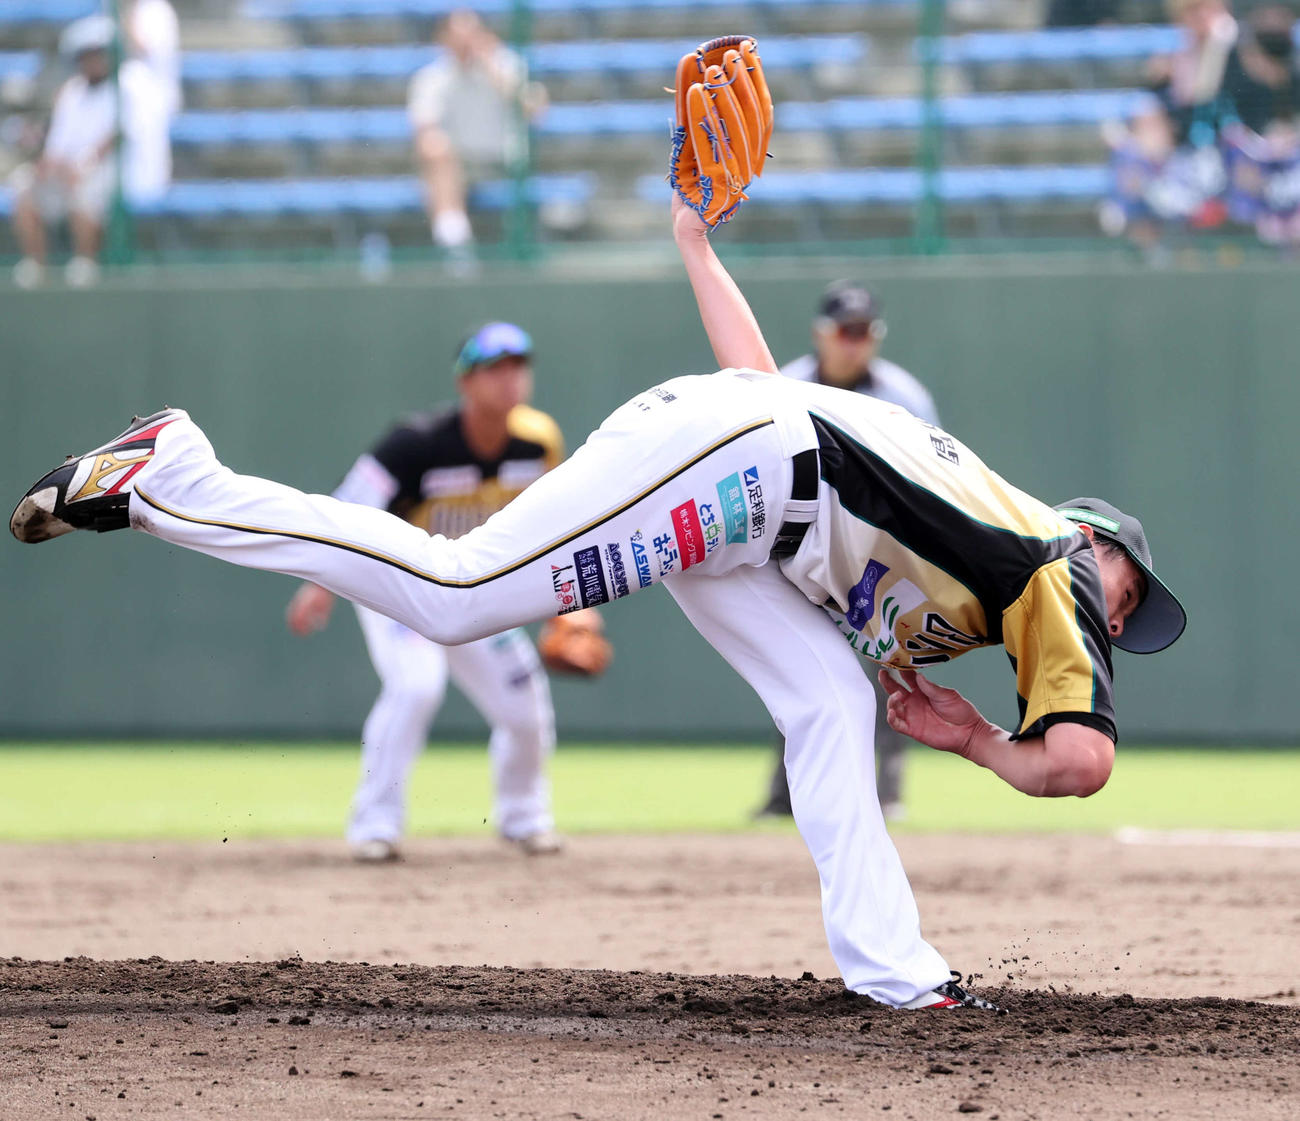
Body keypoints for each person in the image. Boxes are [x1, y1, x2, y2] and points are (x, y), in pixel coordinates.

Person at [10, 194, 1186, 1012]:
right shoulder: (1054, 559)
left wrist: (693, 242)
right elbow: (1078, 764)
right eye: (1132, 586)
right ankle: (180, 475)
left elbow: (761, 382)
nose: (1122, 615)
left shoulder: (977, 554)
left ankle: (896, 969)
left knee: (831, 696)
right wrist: (985, 740)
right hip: (738, 471)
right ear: (1097, 540)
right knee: (459, 591)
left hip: (748, 483)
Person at [284, 322, 571, 862]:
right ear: (466, 381)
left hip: (476, 588)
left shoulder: (539, 441)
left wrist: (570, 606)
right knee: (417, 686)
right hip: (400, 588)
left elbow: (558, 523)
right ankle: (375, 826)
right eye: (495, 368)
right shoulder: (414, 443)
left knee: (524, 703)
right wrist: (318, 584)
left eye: (518, 366)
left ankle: (524, 818)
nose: (510, 379)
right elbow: (348, 506)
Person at [756, 282, 939, 823]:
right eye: (845, 332)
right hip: (801, 547)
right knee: (795, 668)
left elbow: (932, 478)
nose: (853, 343)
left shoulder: (904, 396)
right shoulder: (782, 387)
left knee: (888, 665)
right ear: (822, 334)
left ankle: (886, 789)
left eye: (863, 332)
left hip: (879, 550)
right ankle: (783, 793)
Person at [8, 15, 171, 288]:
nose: (93, 61)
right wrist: (48, 168)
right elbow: (57, 147)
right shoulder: (73, 92)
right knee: (23, 186)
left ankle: (85, 263)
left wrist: (83, 165)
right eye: (87, 55)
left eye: (98, 54)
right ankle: (36, 266)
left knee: (85, 187)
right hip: (73, 171)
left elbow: (120, 136)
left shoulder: (132, 84)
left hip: (124, 173)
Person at [407, 9, 545, 259]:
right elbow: (424, 130)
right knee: (434, 150)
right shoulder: (431, 78)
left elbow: (535, 112)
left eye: (472, 34)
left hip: (508, 160)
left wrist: (494, 72)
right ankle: (455, 245)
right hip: (458, 165)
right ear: (444, 39)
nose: (466, 43)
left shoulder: (507, 64)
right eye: (459, 36)